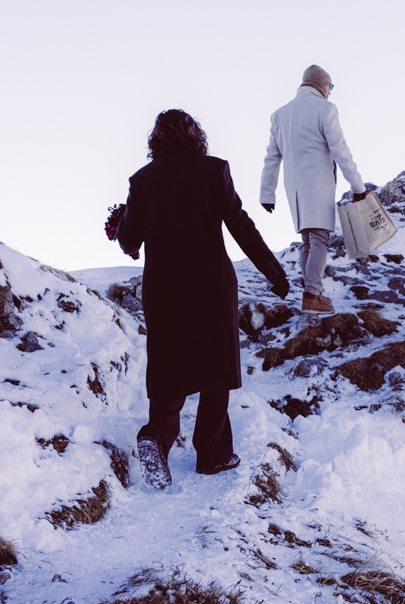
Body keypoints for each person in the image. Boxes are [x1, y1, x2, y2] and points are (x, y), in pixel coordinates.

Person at [115, 109, 290, 489]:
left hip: (164, 287)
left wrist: (120, 224)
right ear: (197, 137)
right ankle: (212, 455)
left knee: (168, 366)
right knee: (216, 365)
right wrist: (275, 274)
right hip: (211, 284)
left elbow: (129, 239)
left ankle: (156, 438)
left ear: (155, 141)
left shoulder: (142, 181)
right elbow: (242, 227)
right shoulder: (214, 171)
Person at [259, 64, 370, 314]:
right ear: (322, 86)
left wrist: (267, 193)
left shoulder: (279, 115)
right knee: (320, 239)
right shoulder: (326, 109)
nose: (330, 92)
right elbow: (340, 150)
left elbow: (271, 158)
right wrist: (357, 186)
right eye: (330, 87)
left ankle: (312, 292)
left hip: (294, 190)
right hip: (318, 185)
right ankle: (312, 296)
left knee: (307, 240)